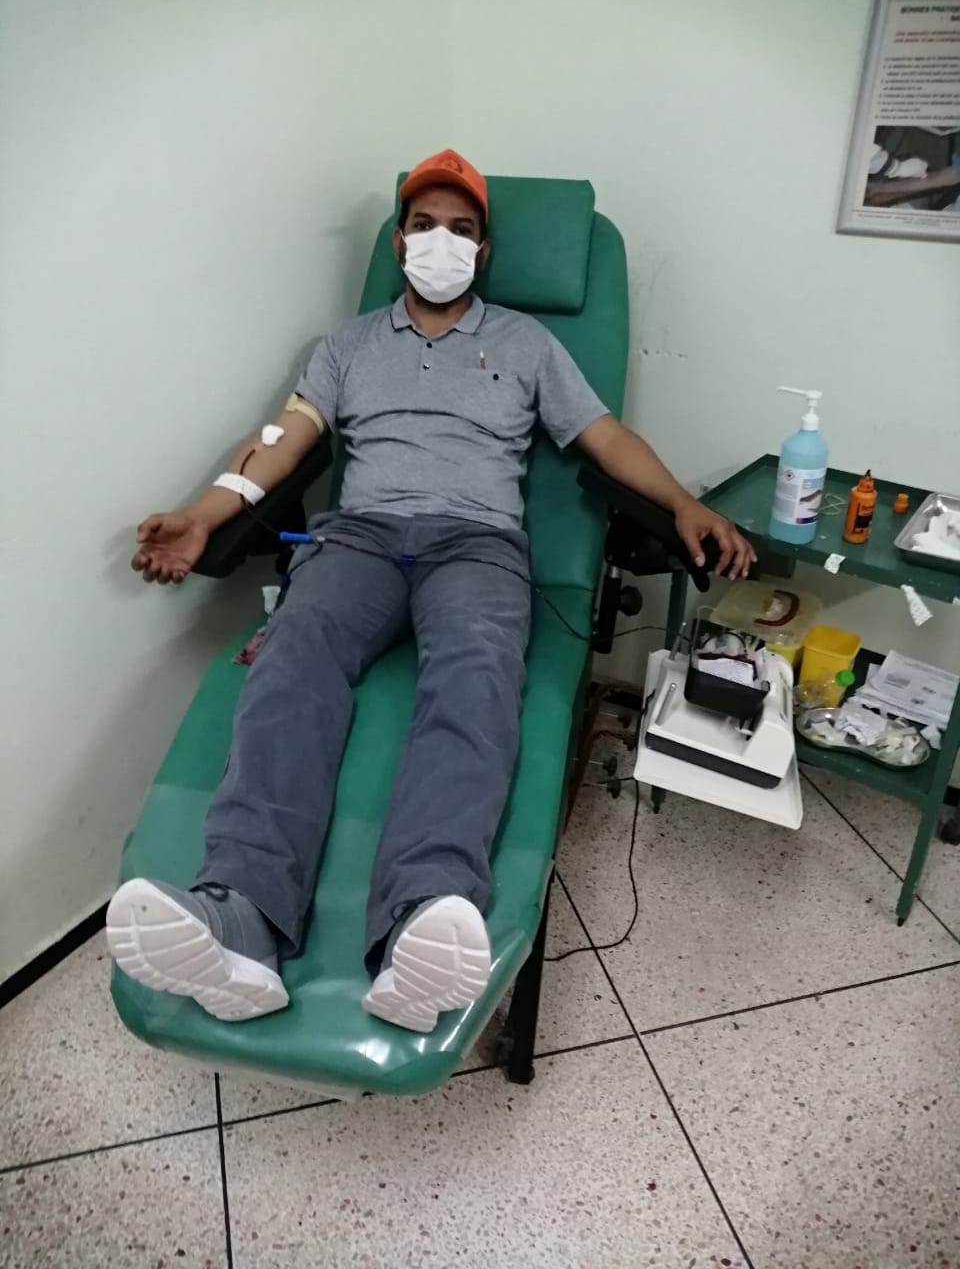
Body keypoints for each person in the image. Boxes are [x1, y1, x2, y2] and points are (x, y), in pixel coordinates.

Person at [107, 149, 755, 1034]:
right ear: (398, 240)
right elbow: (281, 442)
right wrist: (200, 514)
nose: (439, 241)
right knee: (292, 662)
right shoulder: (346, 346)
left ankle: (420, 917)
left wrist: (683, 503)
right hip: (358, 539)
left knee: (476, 675)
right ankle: (241, 920)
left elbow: (605, 438)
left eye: (460, 229)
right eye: (422, 225)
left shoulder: (526, 343)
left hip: (476, 545)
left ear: (482, 252)